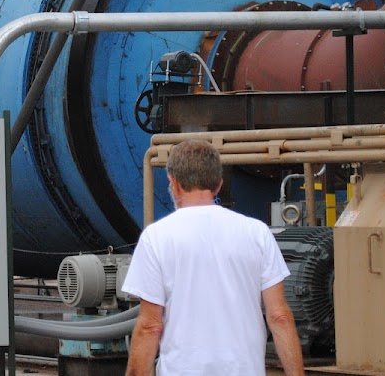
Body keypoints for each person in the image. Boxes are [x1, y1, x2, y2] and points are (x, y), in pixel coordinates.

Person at [122, 140, 304, 376]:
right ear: (218, 185)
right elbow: (279, 316)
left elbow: (149, 326)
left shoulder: (156, 238)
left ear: (173, 182)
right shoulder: (256, 233)